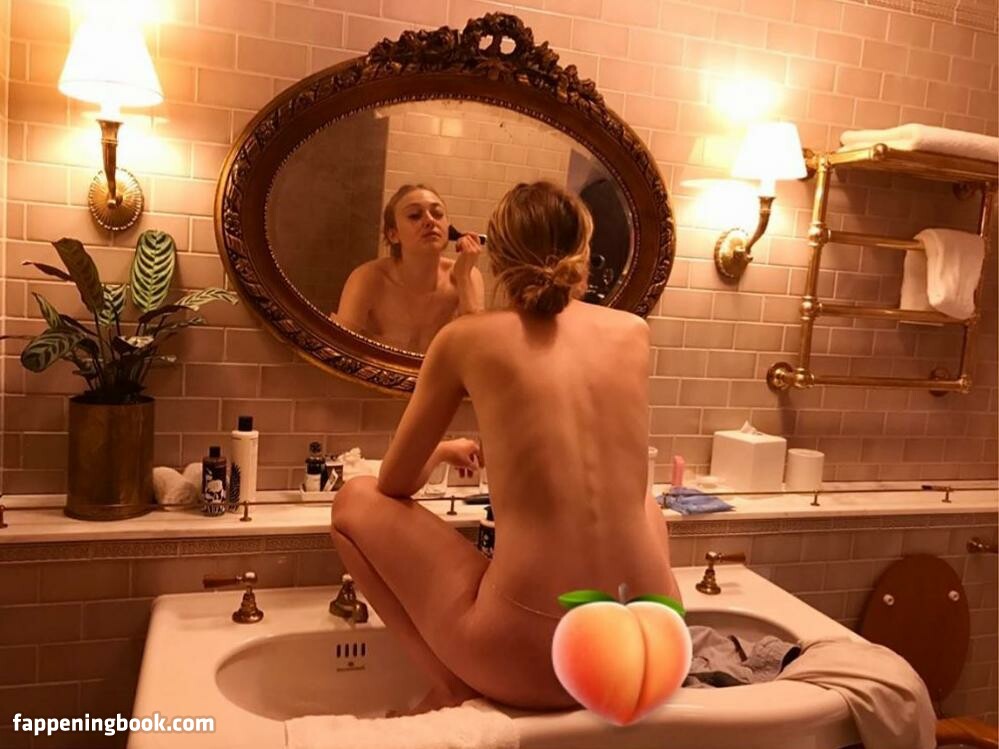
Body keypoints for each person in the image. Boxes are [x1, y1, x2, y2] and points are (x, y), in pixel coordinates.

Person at [330, 181, 681, 714]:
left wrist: (441, 449)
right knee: (643, 499)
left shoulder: (466, 337)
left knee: (354, 498)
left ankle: (451, 687)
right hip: (654, 645)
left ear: (496, 258)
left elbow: (394, 484)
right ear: (584, 252)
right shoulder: (634, 331)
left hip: (536, 660)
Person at [333, 184, 485, 352]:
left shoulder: (467, 275)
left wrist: (464, 278)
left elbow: (477, 351)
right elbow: (337, 349)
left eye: (437, 213)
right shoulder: (368, 279)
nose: (430, 220)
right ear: (393, 234)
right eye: (414, 215)